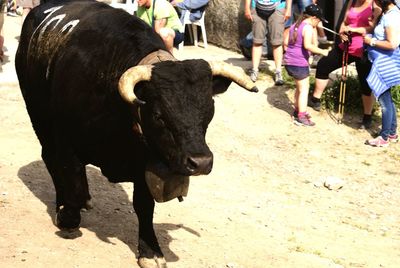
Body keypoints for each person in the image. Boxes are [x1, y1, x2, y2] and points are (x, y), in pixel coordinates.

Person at [308, 0, 381, 129]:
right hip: (346, 45)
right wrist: (342, 30)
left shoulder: (375, 4)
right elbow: (345, 20)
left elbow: (374, 27)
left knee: (366, 83)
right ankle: (315, 99)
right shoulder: (352, 1)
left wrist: (353, 29)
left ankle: (367, 116)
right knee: (324, 65)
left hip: (364, 49)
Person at [283, 4, 330, 126]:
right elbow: (308, 45)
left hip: (290, 60)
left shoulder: (295, 25)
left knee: (300, 87)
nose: (318, 24)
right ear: (314, 18)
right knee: (304, 89)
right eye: (319, 21)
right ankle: (301, 116)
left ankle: (297, 110)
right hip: (299, 62)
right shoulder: (308, 28)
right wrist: (323, 52)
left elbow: (286, 42)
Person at [364, 0, 400, 147]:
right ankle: (392, 133)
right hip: (385, 62)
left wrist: (371, 41)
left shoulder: (392, 17)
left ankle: (384, 137)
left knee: (384, 101)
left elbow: (392, 44)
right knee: (388, 99)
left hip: (385, 64)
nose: (375, 3)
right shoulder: (390, 14)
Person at [244, 0, 292, 85]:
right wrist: (247, 8)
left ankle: (278, 72)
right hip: (257, 7)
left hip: (278, 7)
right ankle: (254, 70)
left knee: (277, 42)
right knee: (257, 41)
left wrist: (288, 9)